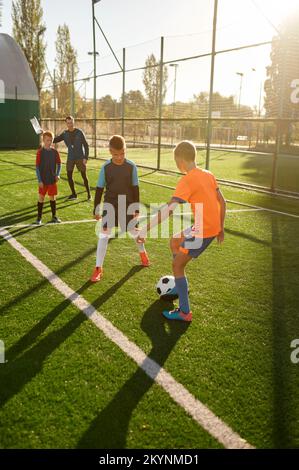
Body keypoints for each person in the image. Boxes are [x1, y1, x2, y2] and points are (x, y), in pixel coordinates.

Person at [137, 140, 226, 322]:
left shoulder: (186, 180)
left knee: (177, 265)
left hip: (203, 231)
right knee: (175, 241)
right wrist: (221, 228)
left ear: (180, 161)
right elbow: (223, 202)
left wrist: (145, 229)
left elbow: (168, 210)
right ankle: (179, 285)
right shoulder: (208, 174)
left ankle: (185, 312)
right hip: (208, 227)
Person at [90, 135, 150, 283]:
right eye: (116, 154)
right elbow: (99, 189)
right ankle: (98, 268)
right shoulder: (106, 167)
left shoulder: (131, 166)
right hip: (110, 204)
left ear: (125, 150)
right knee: (104, 234)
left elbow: (135, 188)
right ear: (110, 151)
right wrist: (96, 209)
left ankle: (142, 253)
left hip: (128, 205)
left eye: (122, 153)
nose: (119, 157)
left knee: (134, 232)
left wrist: (136, 208)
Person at [53, 116, 91, 200]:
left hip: (80, 157)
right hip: (70, 158)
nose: (70, 124)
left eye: (71, 122)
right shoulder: (65, 133)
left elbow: (86, 145)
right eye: (68, 123)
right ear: (66, 123)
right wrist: (45, 133)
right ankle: (74, 194)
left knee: (84, 176)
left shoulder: (79, 132)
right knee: (69, 176)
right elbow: (55, 140)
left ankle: (89, 195)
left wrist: (86, 157)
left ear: (74, 122)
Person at [35, 131, 62, 225]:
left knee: (52, 198)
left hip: (52, 179)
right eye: (47, 140)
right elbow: (37, 167)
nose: (49, 142)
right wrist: (39, 180)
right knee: (41, 198)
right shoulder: (40, 152)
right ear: (43, 140)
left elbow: (59, 164)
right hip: (43, 180)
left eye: (51, 140)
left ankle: (54, 216)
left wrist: (58, 174)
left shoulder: (55, 152)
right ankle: (39, 218)